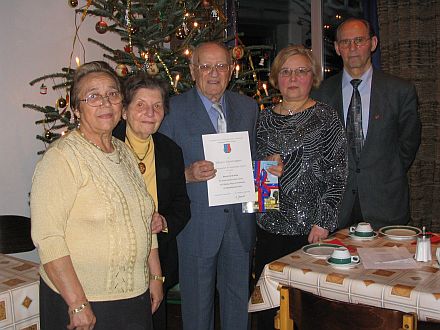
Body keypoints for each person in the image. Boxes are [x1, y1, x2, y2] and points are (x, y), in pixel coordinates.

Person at [31, 61, 163, 330]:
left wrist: (155, 277)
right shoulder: (61, 158)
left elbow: (144, 219)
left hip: (133, 298)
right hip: (84, 302)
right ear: (76, 109)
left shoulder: (123, 152)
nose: (105, 102)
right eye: (93, 96)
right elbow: (48, 237)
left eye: (113, 94)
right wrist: (77, 303)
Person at [159, 41, 259, 330]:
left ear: (231, 69)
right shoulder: (172, 110)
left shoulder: (248, 107)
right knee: (197, 308)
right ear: (193, 70)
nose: (213, 73)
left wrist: (268, 169)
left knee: (238, 304)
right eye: (205, 66)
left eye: (220, 66)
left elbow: (253, 162)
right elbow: (157, 169)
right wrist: (187, 174)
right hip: (197, 225)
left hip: (240, 223)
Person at [254, 44, 348, 330]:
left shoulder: (326, 117)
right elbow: (260, 183)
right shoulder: (262, 119)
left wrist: (323, 223)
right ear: (275, 77)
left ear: (312, 77)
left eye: (301, 71)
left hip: (311, 233)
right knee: (269, 308)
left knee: (307, 311)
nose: (293, 77)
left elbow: (338, 174)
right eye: (286, 71)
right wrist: (267, 175)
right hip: (269, 229)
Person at [312, 17, 421, 230]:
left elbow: (409, 143)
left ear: (373, 43)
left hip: (385, 204)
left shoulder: (400, 91)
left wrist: (386, 169)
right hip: (337, 208)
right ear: (336, 48)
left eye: (359, 40)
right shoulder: (321, 94)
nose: (352, 48)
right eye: (345, 42)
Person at [113, 72, 191, 330]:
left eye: (157, 106)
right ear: (124, 111)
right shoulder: (106, 146)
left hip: (158, 259)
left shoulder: (170, 151)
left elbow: (182, 205)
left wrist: (164, 221)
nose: (150, 112)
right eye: (141, 105)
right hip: (114, 261)